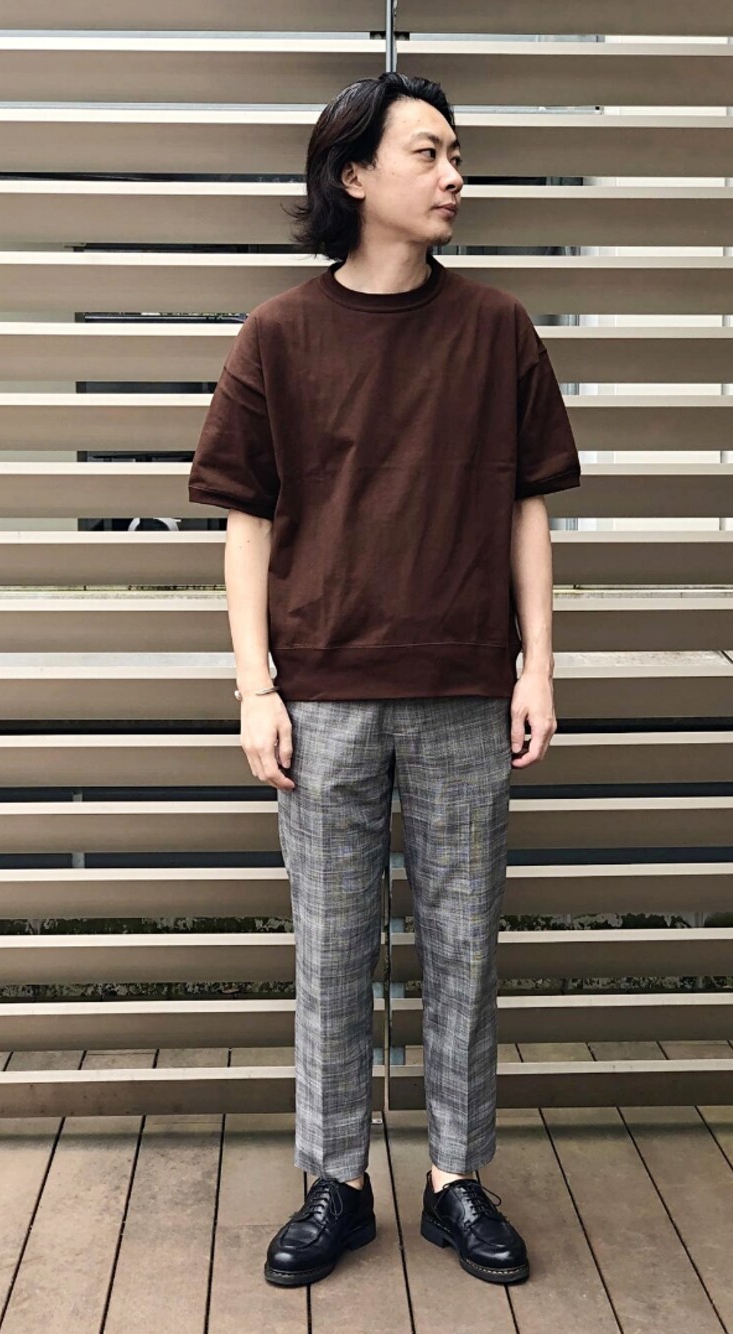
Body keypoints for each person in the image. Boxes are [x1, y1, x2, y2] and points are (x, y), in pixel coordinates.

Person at [187, 72, 581, 1289]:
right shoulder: (278, 335)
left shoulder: (497, 330)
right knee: (331, 948)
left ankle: (457, 1177)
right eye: (428, 151)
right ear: (354, 174)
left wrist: (538, 666)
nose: (454, 174)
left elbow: (527, 508)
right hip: (321, 697)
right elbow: (245, 524)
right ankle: (338, 1182)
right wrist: (255, 687)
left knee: (464, 947)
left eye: (457, 152)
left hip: (466, 688)